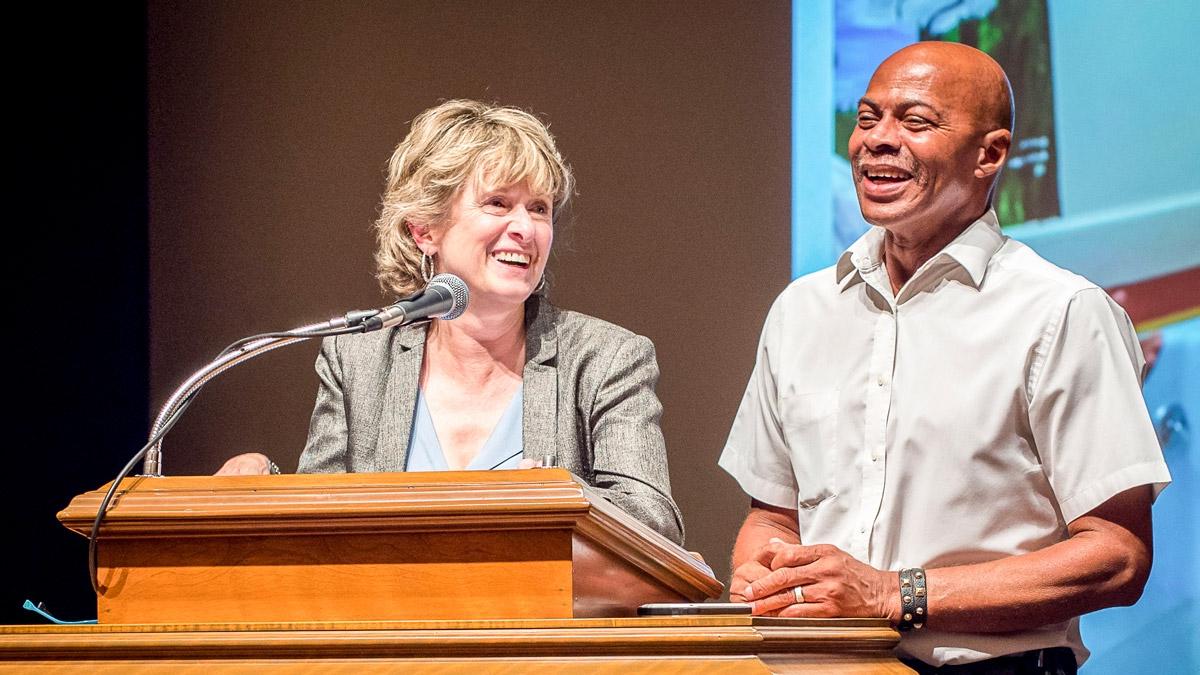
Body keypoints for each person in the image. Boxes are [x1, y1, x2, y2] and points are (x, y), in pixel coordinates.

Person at [718, 42, 1170, 673]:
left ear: (990, 154)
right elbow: (771, 515)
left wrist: (889, 594)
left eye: (915, 121)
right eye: (868, 118)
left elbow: (1116, 556)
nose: (877, 139)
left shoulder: (1062, 312)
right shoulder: (802, 309)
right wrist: (768, 573)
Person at [219, 99, 684, 544]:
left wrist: (559, 500)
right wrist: (264, 484)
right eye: (498, 203)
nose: (525, 228)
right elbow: (320, 523)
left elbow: (654, 520)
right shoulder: (357, 360)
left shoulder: (604, 359)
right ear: (424, 230)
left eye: (539, 208)